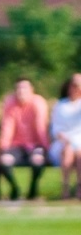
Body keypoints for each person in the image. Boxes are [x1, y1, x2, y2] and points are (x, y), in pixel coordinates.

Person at [0, 77, 50, 201]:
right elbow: (7, 127)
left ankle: (33, 189)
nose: (21, 91)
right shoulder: (10, 103)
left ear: (31, 90)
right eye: (18, 88)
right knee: (4, 161)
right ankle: (15, 188)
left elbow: (40, 127)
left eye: (24, 88)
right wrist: (3, 147)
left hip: (35, 145)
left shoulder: (38, 103)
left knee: (37, 160)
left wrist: (45, 147)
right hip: (16, 146)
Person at [52, 73, 81, 201]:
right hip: (63, 142)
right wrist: (65, 139)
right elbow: (56, 129)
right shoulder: (60, 105)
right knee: (68, 150)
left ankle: (79, 187)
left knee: (79, 154)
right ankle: (66, 188)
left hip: (79, 142)